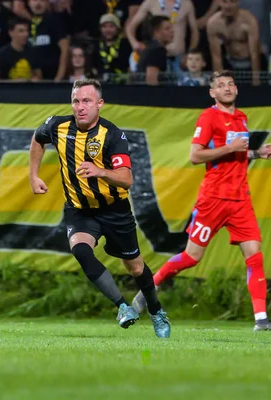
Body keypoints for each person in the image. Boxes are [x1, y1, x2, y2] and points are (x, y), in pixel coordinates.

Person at [132, 70, 271, 333]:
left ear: (236, 89)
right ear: (212, 93)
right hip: (213, 199)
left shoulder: (241, 117)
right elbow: (195, 155)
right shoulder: (209, 117)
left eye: (230, 84)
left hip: (240, 200)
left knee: (255, 255)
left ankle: (261, 319)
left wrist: (257, 153)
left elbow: (237, 153)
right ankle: (149, 288)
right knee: (192, 257)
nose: (227, 88)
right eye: (220, 85)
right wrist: (230, 148)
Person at [28, 79, 170, 339]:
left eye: (86, 101)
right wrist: (33, 175)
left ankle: (156, 310)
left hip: (114, 210)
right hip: (80, 210)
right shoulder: (57, 126)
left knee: (136, 268)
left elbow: (126, 179)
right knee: (80, 250)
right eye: (76, 101)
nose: (80, 107)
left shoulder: (113, 135)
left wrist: (100, 171)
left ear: (100, 104)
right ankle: (122, 307)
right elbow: (38, 139)